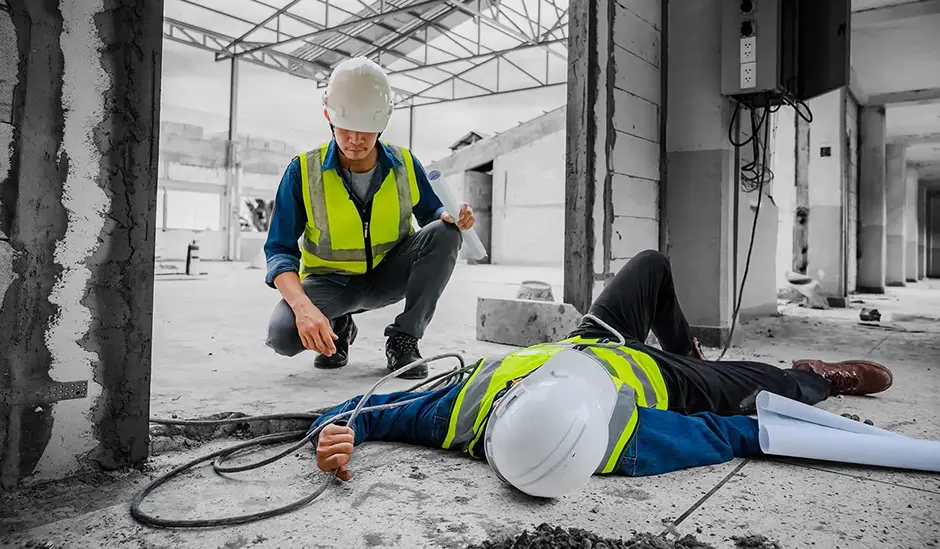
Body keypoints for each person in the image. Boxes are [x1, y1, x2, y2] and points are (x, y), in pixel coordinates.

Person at [311, 250, 893, 496]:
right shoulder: (626, 444)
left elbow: (365, 412)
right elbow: (729, 433)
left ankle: (688, 345)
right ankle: (818, 376)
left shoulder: (456, 412)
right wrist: (794, 420)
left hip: (597, 340)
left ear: (504, 412)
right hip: (666, 381)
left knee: (650, 266)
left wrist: (339, 434)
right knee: (769, 385)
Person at [263, 58, 476, 379]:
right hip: (332, 283)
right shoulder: (303, 172)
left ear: (382, 124)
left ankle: (405, 337)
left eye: (366, 131)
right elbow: (279, 250)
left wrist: (452, 216)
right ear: (329, 118)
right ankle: (340, 325)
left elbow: (434, 215)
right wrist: (304, 309)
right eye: (347, 129)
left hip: (389, 276)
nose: (355, 140)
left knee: (446, 233)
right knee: (284, 335)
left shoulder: (405, 164)